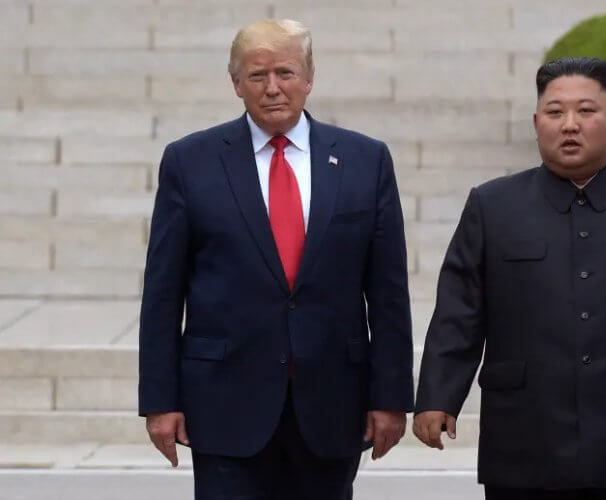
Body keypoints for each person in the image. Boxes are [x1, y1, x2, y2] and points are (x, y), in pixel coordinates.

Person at [412, 57, 606, 500]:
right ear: (536, 121)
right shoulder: (493, 206)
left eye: (586, 111)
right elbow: (459, 313)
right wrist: (437, 396)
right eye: (555, 112)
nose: (569, 125)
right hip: (527, 442)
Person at [138, 19, 413, 500]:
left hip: (331, 402)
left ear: (309, 78)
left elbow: (388, 292)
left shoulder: (364, 160)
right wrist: (159, 400)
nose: (272, 89)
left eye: (285, 73)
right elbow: (163, 291)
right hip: (224, 402)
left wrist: (390, 398)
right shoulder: (190, 161)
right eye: (256, 75)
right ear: (235, 83)